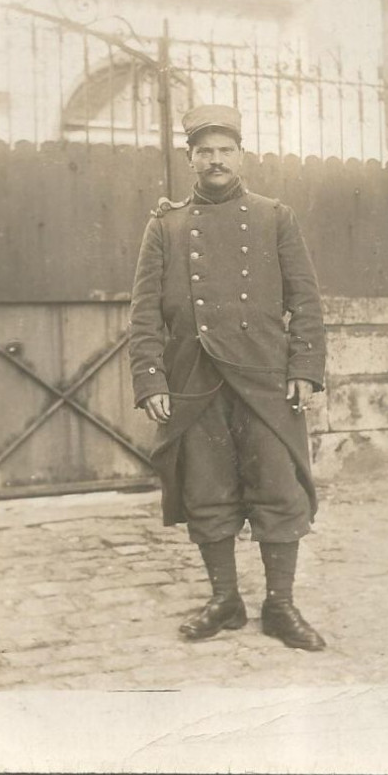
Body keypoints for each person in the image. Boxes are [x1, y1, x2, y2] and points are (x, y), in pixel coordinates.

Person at [128, 104, 326, 651]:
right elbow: (143, 310)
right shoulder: (165, 225)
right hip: (195, 378)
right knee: (206, 491)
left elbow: (305, 299)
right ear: (190, 159)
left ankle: (281, 605)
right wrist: (150, 379)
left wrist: (305, 369)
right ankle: (225, 600)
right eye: (205, 152)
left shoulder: (273, 215)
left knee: (279, 489)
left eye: (225, 150)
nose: (216, 160)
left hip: (265, 376)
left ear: (241, 156)